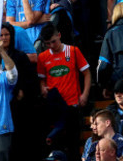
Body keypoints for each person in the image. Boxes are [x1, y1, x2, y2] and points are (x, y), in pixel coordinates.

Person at [38, 24, 90, 156]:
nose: (51, 45)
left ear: (59, 35)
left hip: (72, 104)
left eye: (53, 41)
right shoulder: (43, 57)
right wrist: (42, 87)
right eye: (47, 43)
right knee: (56, 146)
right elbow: (41, 79)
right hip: (55, 107)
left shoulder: (73, 51)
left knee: (73, 145)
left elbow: (87, 73)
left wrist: (85, 94)